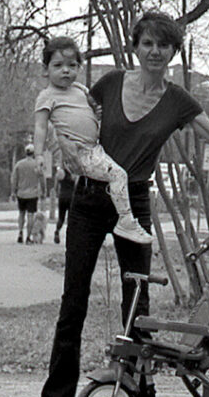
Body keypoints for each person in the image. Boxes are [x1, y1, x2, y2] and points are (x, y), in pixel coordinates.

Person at [29, 10, 209, 397]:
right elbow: (69, 114)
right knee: (73, 302)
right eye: (148, 43)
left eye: (164, 45)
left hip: (134, 200)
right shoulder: (109, 84)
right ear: (136, 47)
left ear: (173, 52)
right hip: (88, 199)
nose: (154, 51)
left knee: (137, 305)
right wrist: (60, 151)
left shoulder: (177, 102)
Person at [33, 36, 152, 245]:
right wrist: (39, 155)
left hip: (96, 147)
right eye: (58, 66)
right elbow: (40, 127)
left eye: (72, 65)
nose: (65, 71)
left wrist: (98, 114)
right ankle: (125, 220)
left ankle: (115, 216)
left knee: (117, 171)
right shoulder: (46, 96)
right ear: (46, 69)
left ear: (79, 67)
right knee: (118, 175)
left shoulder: (80, 90)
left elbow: (92, 109)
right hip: (80, 152)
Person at [10, 143, 42, 244]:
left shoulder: (19, 164)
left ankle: (20, 232)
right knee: (30, 215)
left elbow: (14, 179)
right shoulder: (36, 165)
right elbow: (42, 179)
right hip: (33, 194)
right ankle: (28, 237)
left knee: (21, 213)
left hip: (21, 193)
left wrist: (13, 192)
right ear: (33, 153)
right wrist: (43, 191)